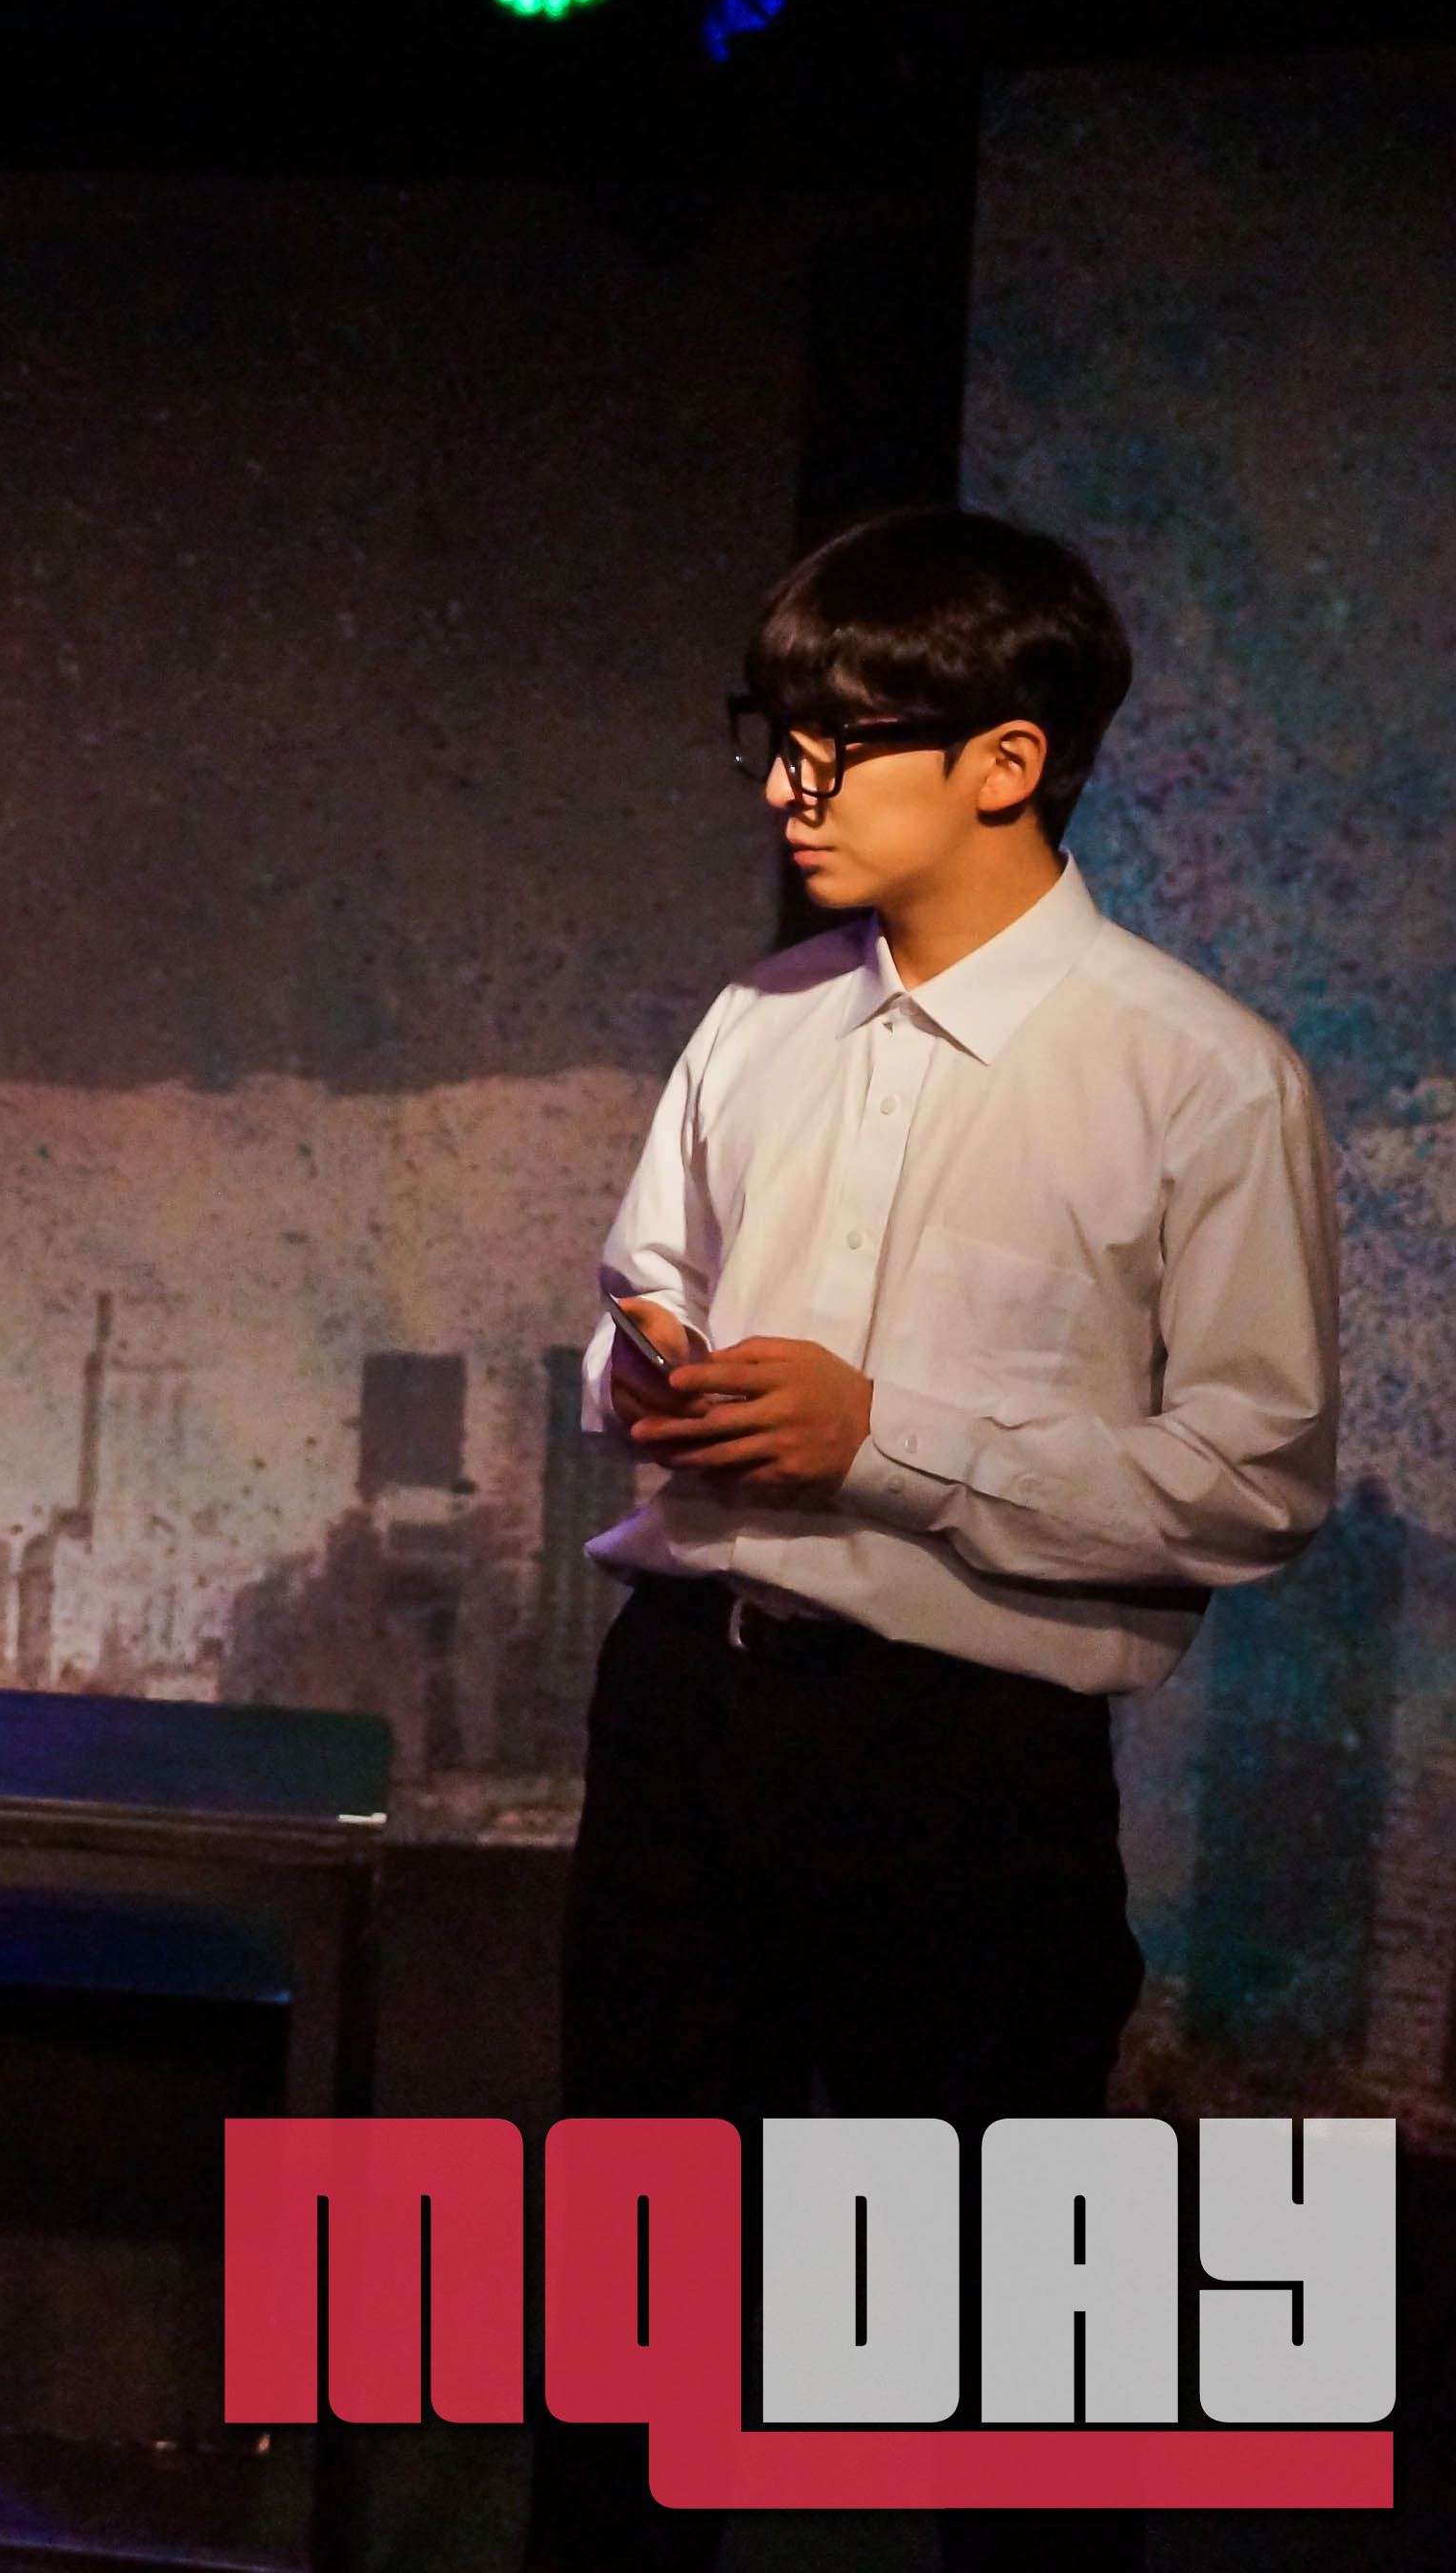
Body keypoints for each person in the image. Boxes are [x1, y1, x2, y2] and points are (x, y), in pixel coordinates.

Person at [531, 509, 1338, 2573]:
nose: (784, 785)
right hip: (683, 1710)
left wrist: (888, 1442)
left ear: (1005, 760)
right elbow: (633, 1297)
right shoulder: (757, 1018)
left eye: (835, 742)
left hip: (959, 1761)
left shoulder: (1199, 1078)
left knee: (1014, 2339)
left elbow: (1254, 1479)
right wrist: (646, 1372)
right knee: (630, 2296)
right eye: (772, 735)